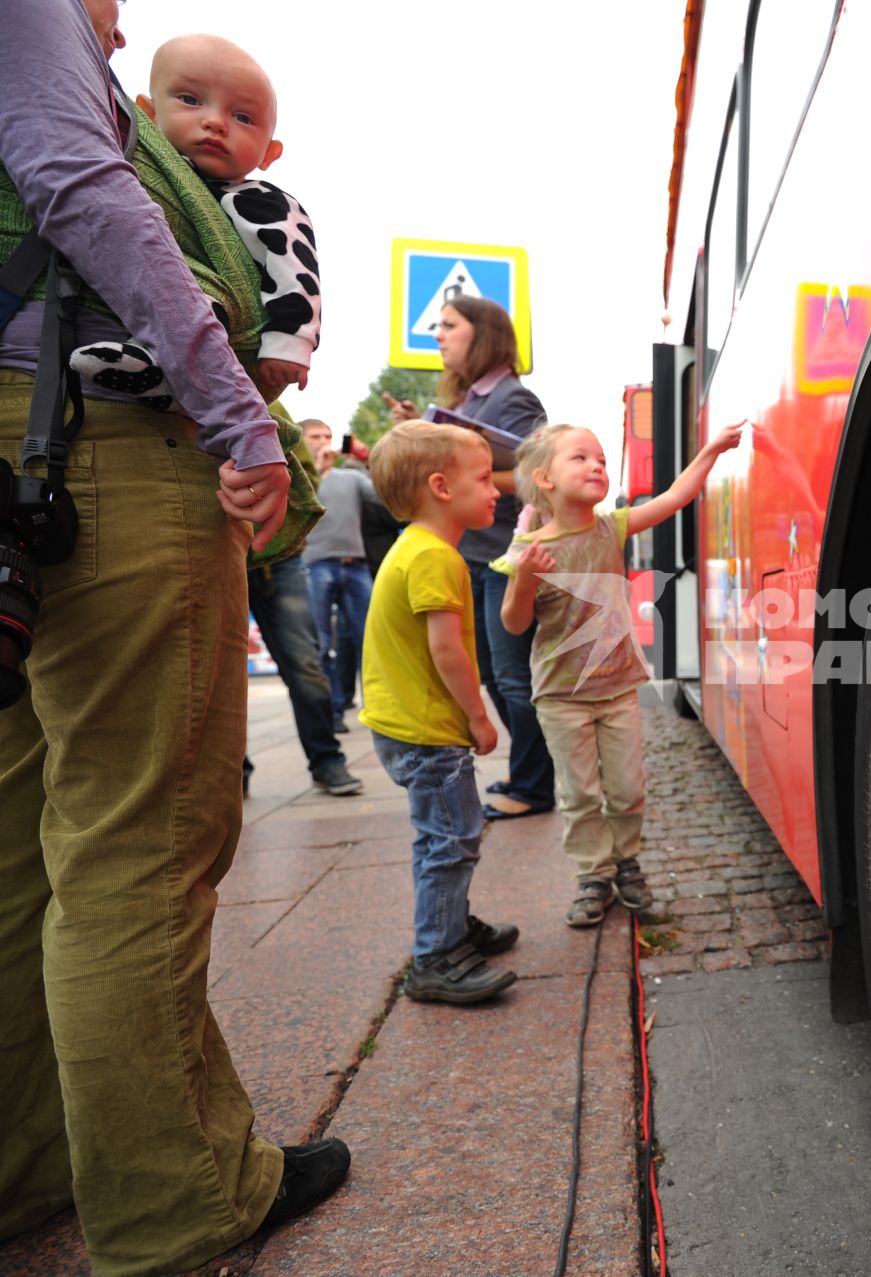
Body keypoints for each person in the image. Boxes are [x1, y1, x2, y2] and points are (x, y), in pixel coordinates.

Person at [0, 3, 347, 1273]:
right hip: (106, 445)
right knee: (141, 834)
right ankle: (181, 1197)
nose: (115, 26)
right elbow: (79, 188)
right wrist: (237, 419)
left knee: (1, 832)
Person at [499, 421, 743, 927]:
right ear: (544, 479)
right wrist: (524, 579)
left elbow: (676, 496)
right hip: (561, 696)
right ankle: (593, 874)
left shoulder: (612, 527)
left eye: (603, 460)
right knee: (581, 792)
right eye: (581, 458)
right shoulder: (526, 551)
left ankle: (626, 862)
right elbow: (515, 623)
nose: (597, 466)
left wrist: (712, 449)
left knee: (628, 788)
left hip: (618, 689)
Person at [69, 34, 321, 412]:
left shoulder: (261, 201)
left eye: (243, 118)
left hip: (239, 338)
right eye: (190, 100)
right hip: (161, 329)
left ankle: (159, 372)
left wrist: (290, 342)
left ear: (269, 153)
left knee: (197, 298)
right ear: (148, 115)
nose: (215, 122)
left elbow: (295, 267)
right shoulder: (138, 175)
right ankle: (155, 376)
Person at [360, 419, 521, 1003]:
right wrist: (480, 717)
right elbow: (446, 650)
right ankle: (436, 956)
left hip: (406, 722)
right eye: (483, 478)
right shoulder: (435, 558)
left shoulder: (417, 548)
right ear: (441, 487)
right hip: (427, 730)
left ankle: (451, 924)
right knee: (452, 839)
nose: (497, 489)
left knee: (444, 835)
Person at [385, 296, 553, 821]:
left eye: (450, 327)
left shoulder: (512, 398)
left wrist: (469, 476)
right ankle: (532, 774)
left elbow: (538, 477)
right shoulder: (471, 401)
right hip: (478, 555)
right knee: (498, 677)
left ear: (482, 335)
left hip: (505, 557)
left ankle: (536, 785)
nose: (439, 335)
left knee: (512, 678)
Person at [246, 549, 365, 795]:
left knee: (306, 663)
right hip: (214, 549)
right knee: (220, 674)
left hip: (278, 552)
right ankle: (233, 772)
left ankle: (326, 760)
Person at [300, 418, 374, 726]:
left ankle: (377, 709)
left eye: (327, 435)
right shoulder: (299, 478)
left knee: (369, 640)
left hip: (354, 565)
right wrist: (315, 468)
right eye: (315, 436)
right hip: (315, 565)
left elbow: (385, 497)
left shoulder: (351, 478)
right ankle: (330, 714)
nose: (323, 440)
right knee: (321, 642)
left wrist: (365, 460)